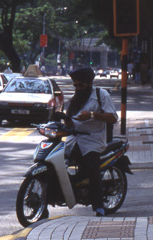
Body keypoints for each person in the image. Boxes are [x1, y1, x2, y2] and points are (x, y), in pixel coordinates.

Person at [65, 67, 118, 216]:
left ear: (89, 84)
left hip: (93, 139)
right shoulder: (75, 100)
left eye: (81, 85)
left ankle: (99, 205)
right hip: (74, 139)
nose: (78, 88)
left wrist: (93, 115)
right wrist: (66, 122)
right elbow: (70, 122)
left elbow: (113, 118)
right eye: (75, 86)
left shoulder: (101, 95)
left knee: (92, 167)